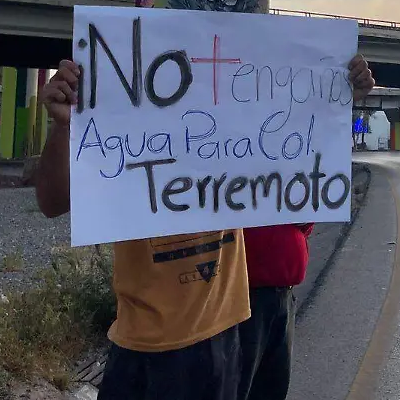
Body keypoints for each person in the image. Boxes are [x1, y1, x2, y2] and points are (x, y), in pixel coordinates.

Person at [34, 55, 376, 400]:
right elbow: (53, 201)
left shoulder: (231, 123)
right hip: (146, 343)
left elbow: (289, 134)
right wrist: (64, 127)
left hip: (223, 332)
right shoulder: (125, 128)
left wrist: (337, 97)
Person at [238, 221, 314, 400]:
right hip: (245, 298)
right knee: (242, 386)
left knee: (275, 385)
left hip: (283, 294)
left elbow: (305, 222)